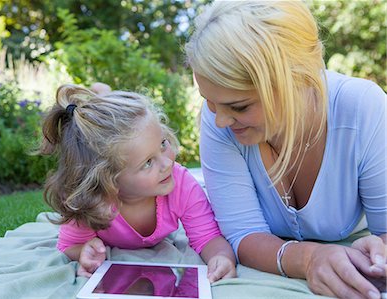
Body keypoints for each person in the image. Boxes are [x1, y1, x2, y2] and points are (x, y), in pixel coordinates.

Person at [184, 1, 386, 298]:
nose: (221, 120)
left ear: (299, 81)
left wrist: (380, 250)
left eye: (239, 106)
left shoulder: (362, 108)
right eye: (210, 102)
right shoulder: (219, 121)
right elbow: (242, 234)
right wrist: (307, 259)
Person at [38, 84, 237, 283]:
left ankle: (102, 91)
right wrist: (84, 251)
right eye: (148, 163)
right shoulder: (93, 201)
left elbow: (208, 237)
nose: (168, 163)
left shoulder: (181, 183)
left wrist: (221, 257)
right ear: (109, 179)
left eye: (163, 143)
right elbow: (69, 245)